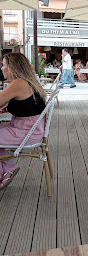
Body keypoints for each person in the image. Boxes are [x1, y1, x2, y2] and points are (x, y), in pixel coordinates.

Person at [0, 53, 46, 190]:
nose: (2, 68)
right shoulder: (27, 81)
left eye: (3, 65)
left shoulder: (18, 83)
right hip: (30, 128)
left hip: (26, 131)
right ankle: (7, 168)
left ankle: (8, 169)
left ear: (12, 67)